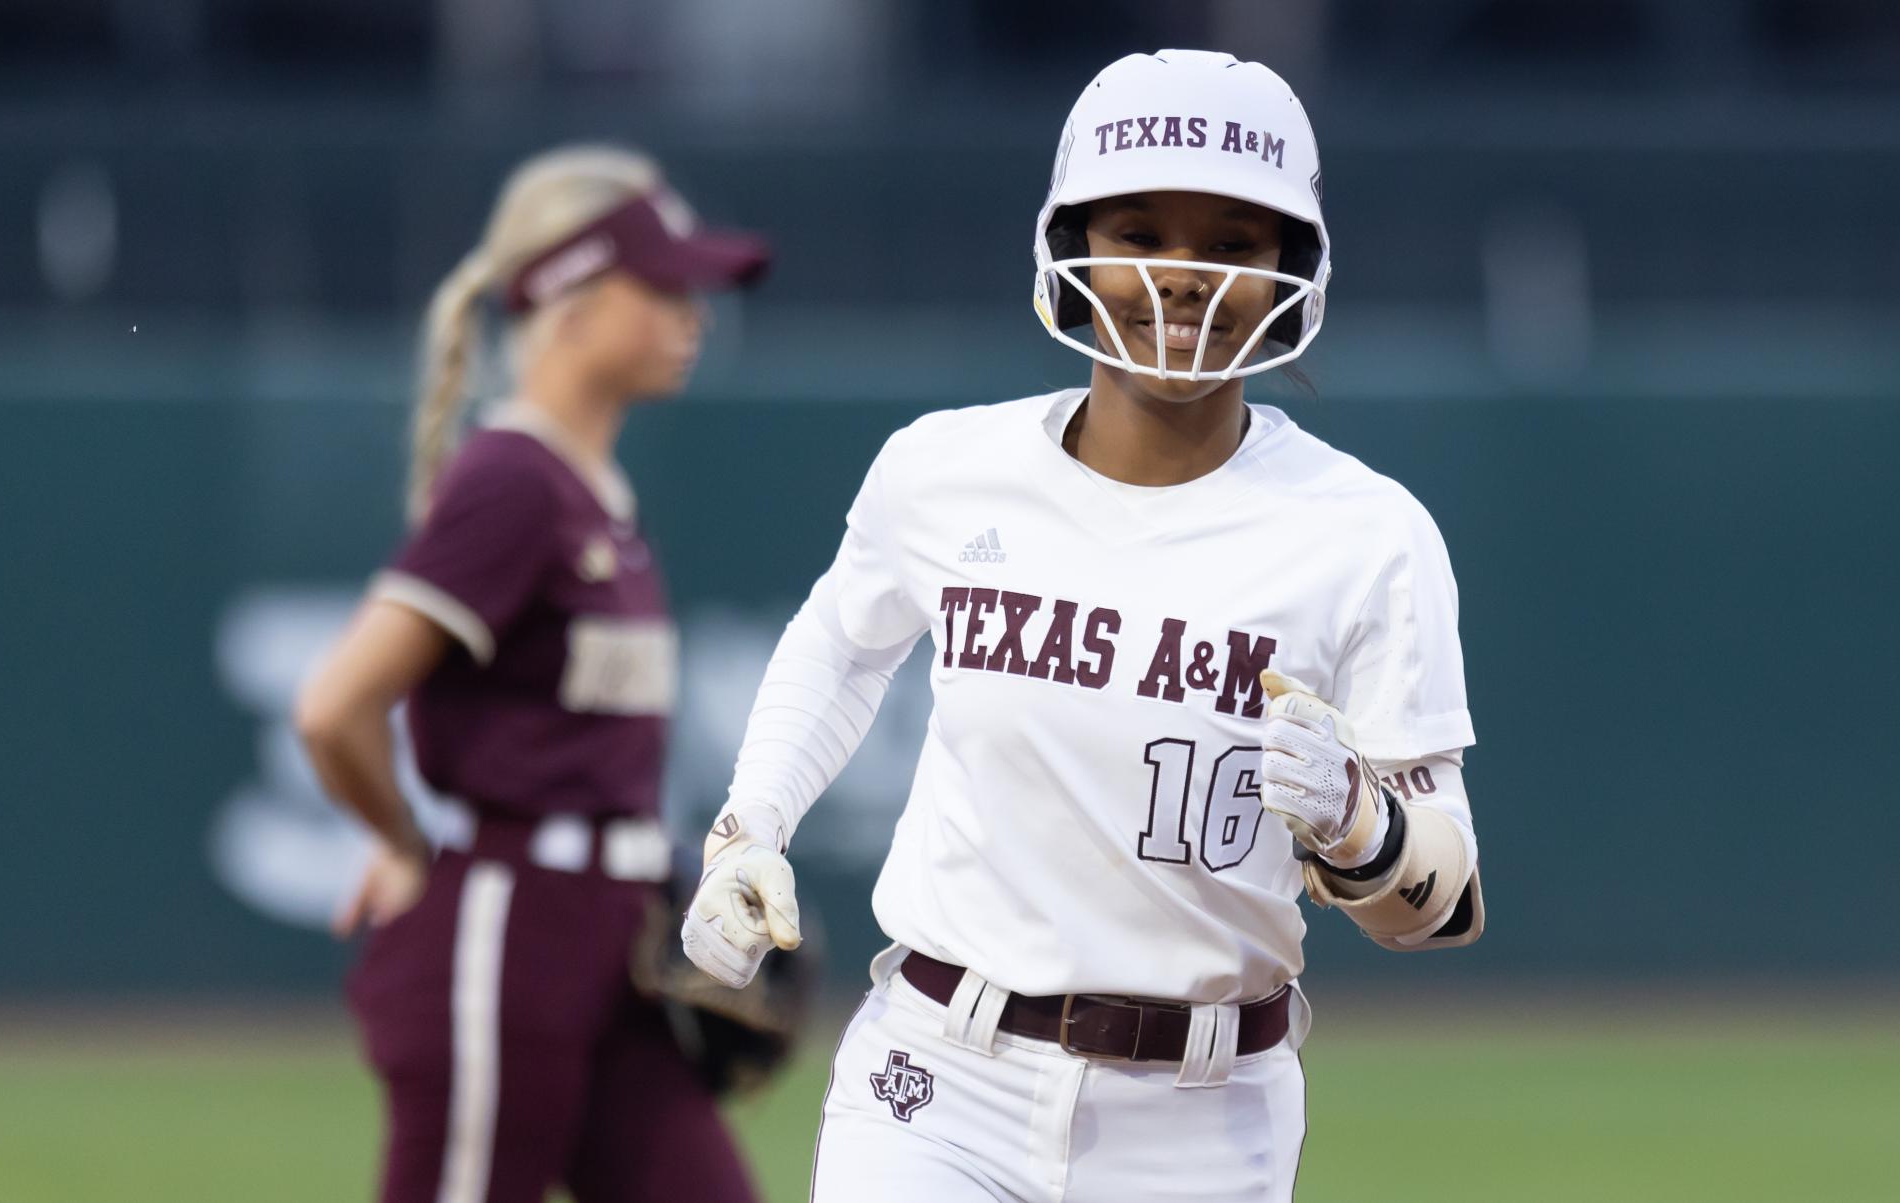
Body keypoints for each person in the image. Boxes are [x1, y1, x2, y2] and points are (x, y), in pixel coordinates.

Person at [681, 50, 1485, 1202]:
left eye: (1230, 245)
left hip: (1206, 1119)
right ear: (1073, 246)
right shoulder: (944, 471)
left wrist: (1363, 827)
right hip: (937, 1080)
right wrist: (747, 826)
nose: (1181, 277)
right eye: (1142, 232)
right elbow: (843, 645)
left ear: (1291, 271)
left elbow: (1443, 902)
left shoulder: (1367, 535)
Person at [295, 145, 770, 1203]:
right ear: (575, 298)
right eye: (664, 282)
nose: (695, 308)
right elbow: (334, 709)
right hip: (506, 933)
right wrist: (408, 844)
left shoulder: (589, 489)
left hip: (611, 940)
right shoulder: (514, 481)